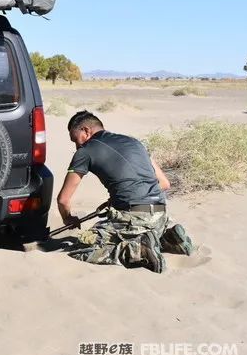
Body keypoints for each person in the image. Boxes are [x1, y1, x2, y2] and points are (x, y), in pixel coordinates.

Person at [56, 110, 193, 273]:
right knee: (141, 230)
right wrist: (117, 201)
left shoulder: (85, 151)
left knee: (83, 247)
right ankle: (168, 239)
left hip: (134, 217)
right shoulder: (135, 142)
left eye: (75, 140)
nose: (77, 146)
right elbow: (164, 183)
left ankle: (138, 250)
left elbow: (63, 200)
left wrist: (68, 218)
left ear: (86, 130)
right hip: (160, 213)